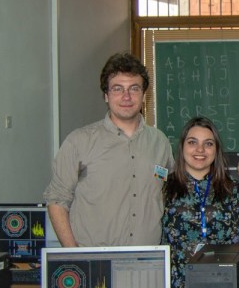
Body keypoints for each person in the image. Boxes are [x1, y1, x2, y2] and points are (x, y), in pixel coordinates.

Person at [44, 52, 174, 247]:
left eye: (134, 88)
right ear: (106, 95)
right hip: (96, 262)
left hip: (148, 261)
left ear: (143, 95)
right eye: (117, 89)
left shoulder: (160, 142)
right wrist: (73, 253)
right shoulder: (79, 142)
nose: (126, 96)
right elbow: (57, 201)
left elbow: (169, 190)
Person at [161, 116, 239, 288]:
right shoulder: (165, 188)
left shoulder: (231, 188)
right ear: (182, 148)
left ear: (216, 150)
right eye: (192, 142)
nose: (200, 150)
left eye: (208, 144)